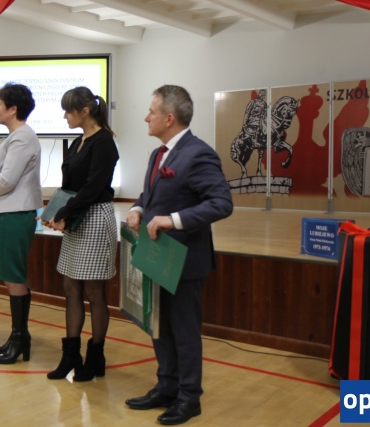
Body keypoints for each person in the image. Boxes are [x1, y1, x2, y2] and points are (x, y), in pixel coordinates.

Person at [124, 85, 233, 425]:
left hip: (184, 260)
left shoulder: (198, 154)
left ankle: (189, 397)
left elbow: (221, 203)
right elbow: (151, 194)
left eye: (151, 112)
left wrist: (172, 220)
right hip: (158, 257)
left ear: (169, 118)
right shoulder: (159, 154)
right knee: (159, 327)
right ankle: (166, 386)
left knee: (184, 332)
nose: (146, 117)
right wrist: (138, 208)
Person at [44, 87, 119, 381]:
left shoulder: (104, 142)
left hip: (95, 217)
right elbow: (69, 186)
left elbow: (94, 187)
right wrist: (54, 212)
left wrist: (64, 213)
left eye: (68, 111)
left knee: (94, 291)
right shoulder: (78, 141)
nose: (65, 116)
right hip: (76, 216)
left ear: (85, 111)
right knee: (70, 286)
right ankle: (70, 355)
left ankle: (96, 355)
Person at [0, 83, 42, 365]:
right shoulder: (14, 136)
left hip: (14, 213)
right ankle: (18, 336)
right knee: (11, 275)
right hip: (4, 212)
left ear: (13, 109)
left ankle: (20, 336)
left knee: (14, 275)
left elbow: (7, 181)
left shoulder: (23, 137)